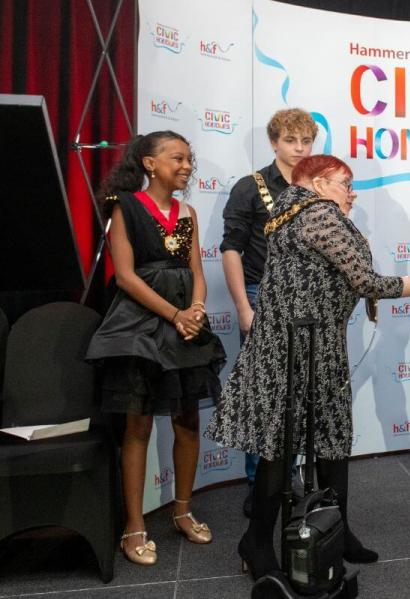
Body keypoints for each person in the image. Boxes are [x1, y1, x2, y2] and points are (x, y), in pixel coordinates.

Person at [205, 155, 410, 579]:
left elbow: (348, 278)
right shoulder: (317, 213)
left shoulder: (291, 212)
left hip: (309, 343)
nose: (352, 192)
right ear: (320, 183)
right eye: (345, 183)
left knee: (323, 442)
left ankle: (334, 531)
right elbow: (368, 282)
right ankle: (256, 543)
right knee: (284, 448)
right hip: (294, 348)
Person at [86, 131, 227, 566]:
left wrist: (198, 307)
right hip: (141, 325)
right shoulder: (124, 206)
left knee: (187, 419)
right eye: (176, 158)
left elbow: (196, 271)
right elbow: (126, 277)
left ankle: (182, 511)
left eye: (189, 159)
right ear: (149, 163)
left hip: (186, 322)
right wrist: (175, 314)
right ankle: (134, 526)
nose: (186, 165)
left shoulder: (188, 211)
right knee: (138, 425)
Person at [220, 108, 317, 517]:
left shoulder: (318, 186)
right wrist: (244, 307)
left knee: (298, 397)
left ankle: (288, 476)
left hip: (308, 302)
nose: (299, 149)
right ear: (274, 142)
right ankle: (259, 483)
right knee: (264, 398)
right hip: (262, 297)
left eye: (306, 141)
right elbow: (231, 250)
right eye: (291, 141)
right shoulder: (250, 187)